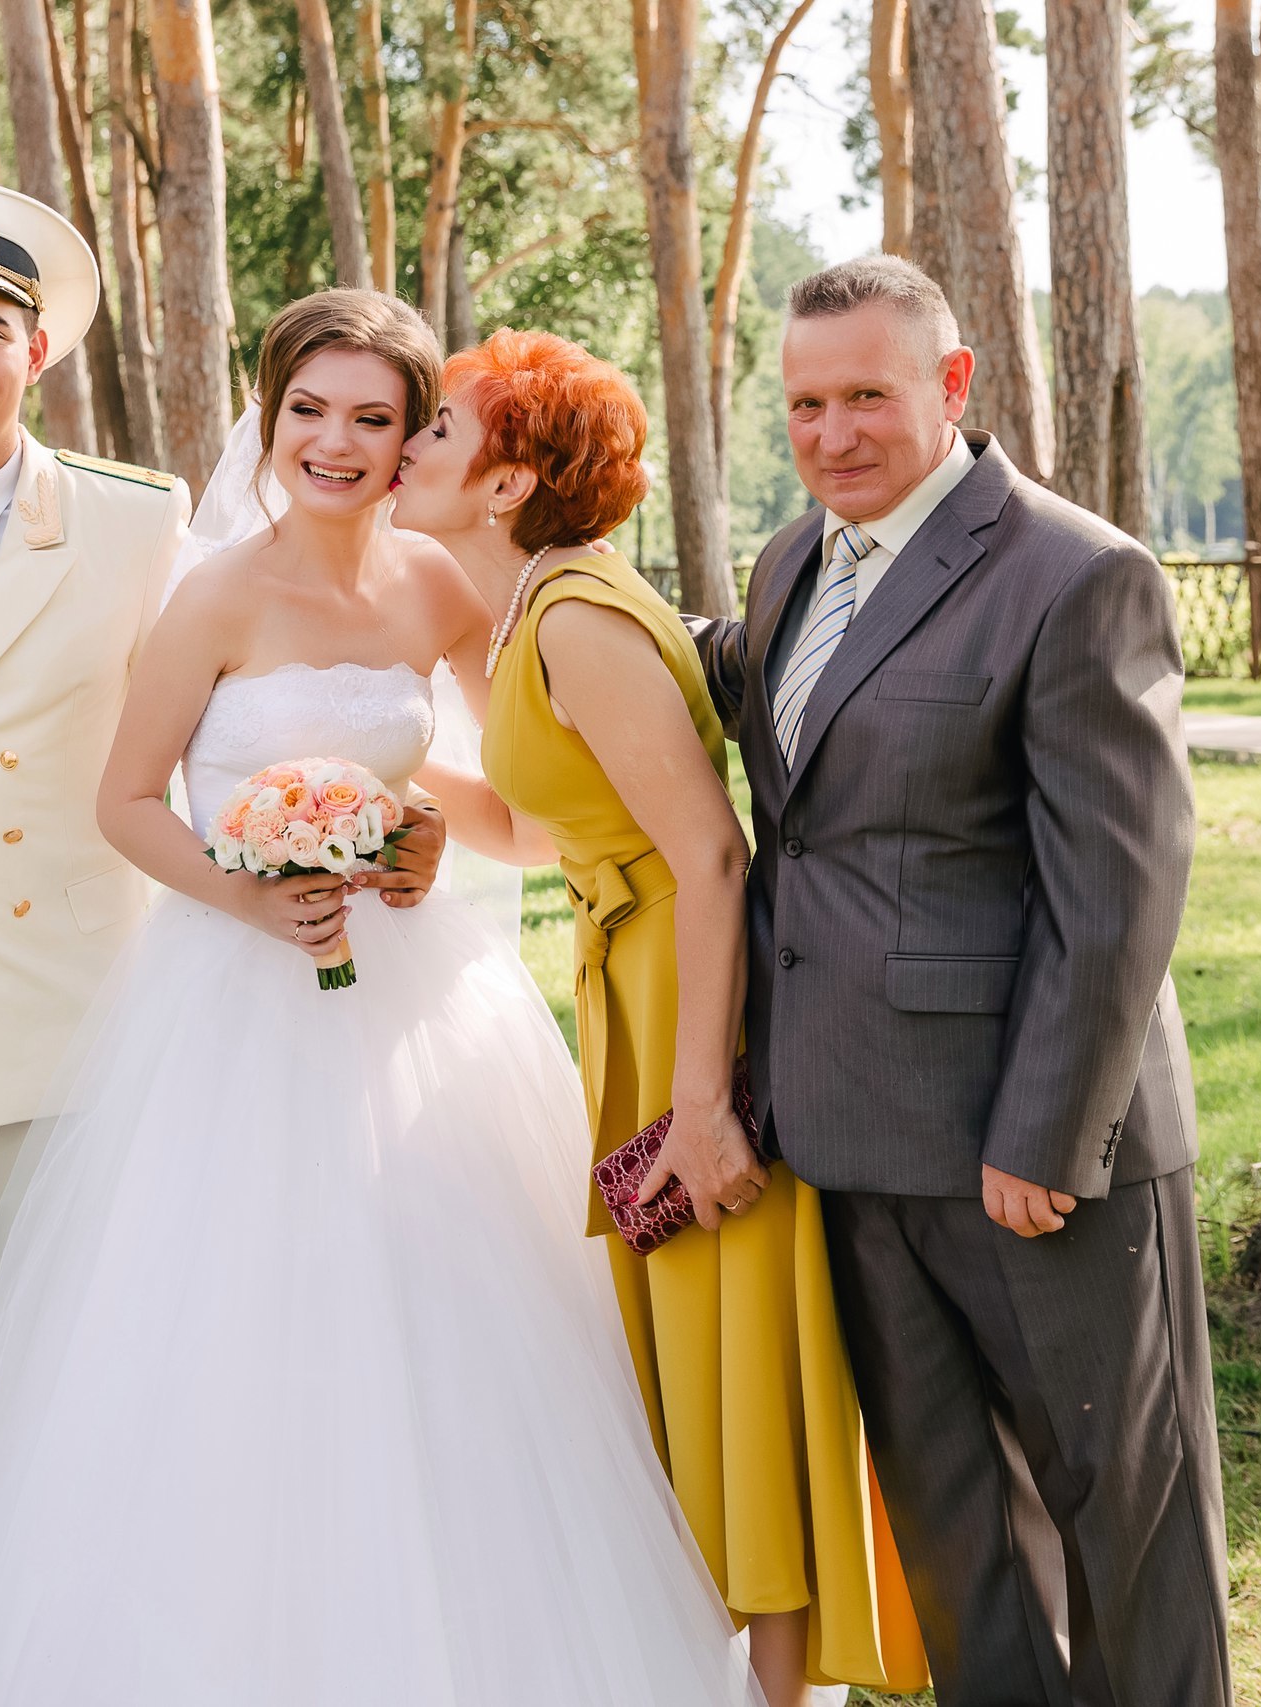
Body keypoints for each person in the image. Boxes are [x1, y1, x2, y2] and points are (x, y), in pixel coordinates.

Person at [0, 289, 760, 1707]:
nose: (334, 444)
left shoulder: (443, 589)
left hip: (416, 999)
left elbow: (521, 813)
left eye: (372, 418)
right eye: (307, 411)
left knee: (463, 1315)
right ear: (269, 415)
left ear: (413, 438)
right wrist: (245, 894)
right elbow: (126, 801)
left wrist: (422, 824)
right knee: (231, 1322)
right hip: (232, 996)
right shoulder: (215, 594)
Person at [0, 183, 446, 1707]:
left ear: (40, 350)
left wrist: (350, 825)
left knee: (80, 1375)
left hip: (80, 998)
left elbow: (223, 719)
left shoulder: (139, 521)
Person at [688, 254, 1225, 1706]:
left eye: (868, 395)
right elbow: (766, 714)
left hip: (1031, 1149)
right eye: (806, 404)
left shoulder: (1076, 574)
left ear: (953, 382)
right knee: (954, 1529)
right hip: (850, 1134)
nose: (834, 434)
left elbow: (1118, 892)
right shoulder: (792, 562)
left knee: (1126, 1524)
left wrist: (1045, 1135)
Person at [389, 326, 927, 1703]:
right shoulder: (527, 612)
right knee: (694, 1358)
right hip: (632, 989)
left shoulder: (577, 618)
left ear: (508, 483)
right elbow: (540, 829)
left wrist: (701, 1104)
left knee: (739, 1354)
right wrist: (382, 769)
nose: (405, 448)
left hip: (694, 1007)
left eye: (439, 429)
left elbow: (711, 857)